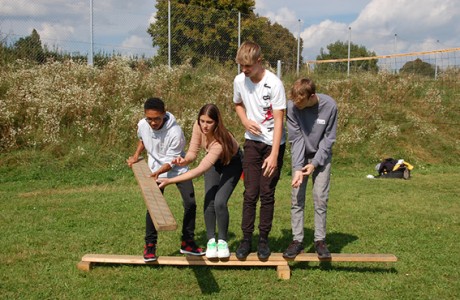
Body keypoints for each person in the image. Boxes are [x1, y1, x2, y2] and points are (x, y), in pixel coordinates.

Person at [158, 104, 243, 259]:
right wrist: (183, 161)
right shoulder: (198, 126)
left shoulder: (219, 141)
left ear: (217, 122)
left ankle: (222, 242)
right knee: (209, 200)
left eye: (209, 122)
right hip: (213, 162)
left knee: (220, 202)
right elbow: (192, 152)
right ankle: (211, 241)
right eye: (202, 120)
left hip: (232, 163)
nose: (204, 125)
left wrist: (170, 180)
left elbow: (199, 170)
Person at [127, 97, 204, 262]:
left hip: (177, 169)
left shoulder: (175, 132)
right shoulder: (143, 125)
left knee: (190, 203)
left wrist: (159, 172)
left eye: (156, 118)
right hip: (155, 169)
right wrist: (135, 156)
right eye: (150, 119)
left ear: (164, 114)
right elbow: (142, 139)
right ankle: (150, 246)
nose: (153, 123)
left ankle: (188, 242)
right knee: (153, 207)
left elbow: (170, 162)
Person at [232, 41, 286, 259]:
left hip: (273, 145)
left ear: (259, 62)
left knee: (267, 193)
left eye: (248, 66)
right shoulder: (239, 81)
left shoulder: (274, 83)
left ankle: (263, 240)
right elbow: (237, 104)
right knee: (250, 193)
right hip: (252, 143)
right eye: (241, 66)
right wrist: (245, 121)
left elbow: (280, 120)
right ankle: (246, 240)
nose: (244, 71)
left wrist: (274, 154)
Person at [282, 78, 338, 259]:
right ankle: (297, 240)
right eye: (294, 102)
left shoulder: (330, 106)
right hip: (301, 155)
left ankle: (320, 241)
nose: (296, 106)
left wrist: (314, 164)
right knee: (296, 197)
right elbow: (296, 138)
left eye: (301, 103)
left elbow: (329, 139)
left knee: (320, 197)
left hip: (321, 157)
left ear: (312, 96)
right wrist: (298, 167)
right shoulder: (292, 107)